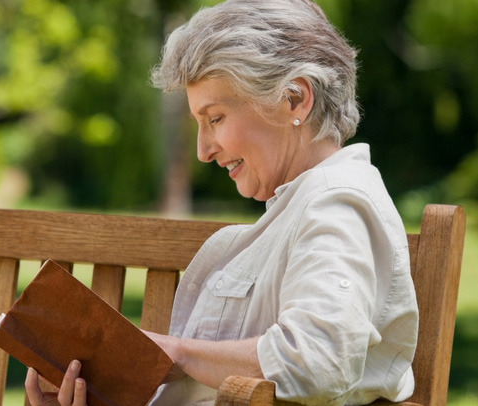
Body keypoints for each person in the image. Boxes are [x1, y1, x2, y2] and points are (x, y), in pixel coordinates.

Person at [25, 0, 419, 405]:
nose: (203, 151)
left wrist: (177, 352)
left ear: (295, 100)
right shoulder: (303, 209)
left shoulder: (338, 205)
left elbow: (315, 361)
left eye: (215, 118)